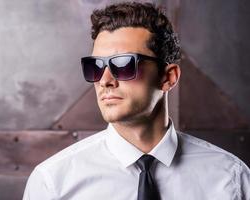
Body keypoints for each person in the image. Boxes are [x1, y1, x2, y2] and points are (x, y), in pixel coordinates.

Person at [23, 2, 250, 200]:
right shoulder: (53, 183)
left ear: (168, 77)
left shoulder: (231, 179)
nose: (105, 80)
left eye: (123, 65)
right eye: (96, 67)